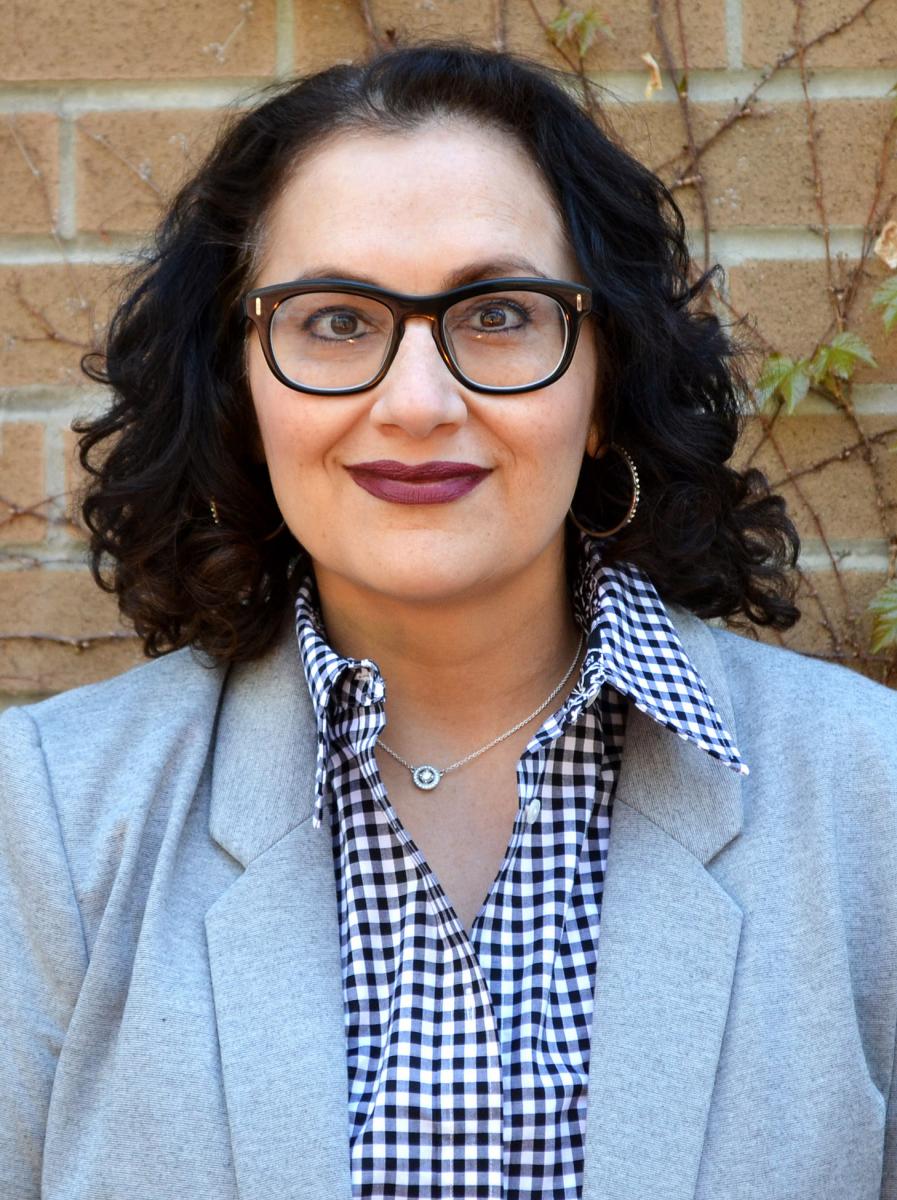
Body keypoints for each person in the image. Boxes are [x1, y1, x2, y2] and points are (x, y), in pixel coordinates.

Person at [1, 42, 895, 1200]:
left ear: (603, 386)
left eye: (499, 312)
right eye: (333, 321)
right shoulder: (51, 823)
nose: (417, 403)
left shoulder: (871, 797)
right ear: (240, 384)